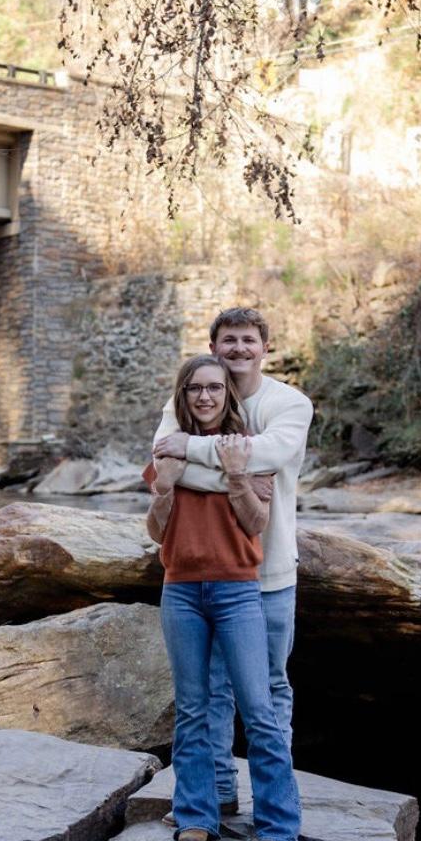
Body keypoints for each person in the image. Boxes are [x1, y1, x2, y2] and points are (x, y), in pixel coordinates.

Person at [152, 308, 312, 814]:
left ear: (265, 347)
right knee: (211, 693)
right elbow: (161, 462)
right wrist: (237, 473)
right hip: (205, 574)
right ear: (214, 347)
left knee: (269, 690)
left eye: (248, 340)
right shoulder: (191, 395)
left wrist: (190, 452)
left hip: (270, 572)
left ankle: (275, 802)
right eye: (228, 340)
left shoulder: (290, 403)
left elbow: (268, 457)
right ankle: (220, 793)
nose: (238, 348)